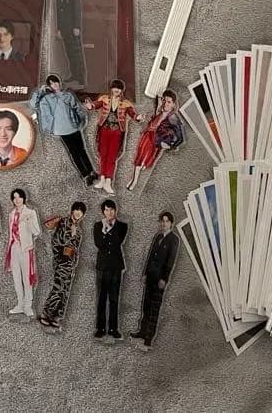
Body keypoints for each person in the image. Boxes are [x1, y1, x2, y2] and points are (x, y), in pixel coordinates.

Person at [29, 75, 99, 187]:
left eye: (56, 82)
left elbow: (77, 108)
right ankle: (85, 175)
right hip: (61, 129)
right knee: (74, 153)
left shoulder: (68, 95)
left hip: (73, 126)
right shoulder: (46, 98)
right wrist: (40, 90)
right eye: (52, 83)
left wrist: (81, 122)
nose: (55, 85)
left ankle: (91, 172)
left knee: (81, 150)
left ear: (59, 82)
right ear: (49, 86)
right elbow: (33, 104)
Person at [130, 211, 180, 351]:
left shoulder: (174, 239)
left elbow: (170, 261)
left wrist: (164, 278)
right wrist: (145, 273)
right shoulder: (157, 236)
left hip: (159, 279)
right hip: (151, 276)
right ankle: (142, 331)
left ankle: (148, 339)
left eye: (167, 221)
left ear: (171, 223)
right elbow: (150, 256)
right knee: (146, 305)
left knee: (154, 308)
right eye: (162, 221)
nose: (164, 223)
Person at [84, 79, 142, 195]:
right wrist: (90, 106)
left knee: (112, 157)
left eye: (119, 88)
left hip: (117, 132)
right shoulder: (104, 98)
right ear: (111, 88)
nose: (117, 90)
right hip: (104, 130)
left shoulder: (126, 103)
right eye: (115, 87)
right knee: (103, 155)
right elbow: (96, 105)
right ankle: (102, 179)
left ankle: (108, 181)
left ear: (122, 90)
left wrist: (138, 117)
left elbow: (132, 114)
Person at [38, 201, 87, 330]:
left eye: (81, 211)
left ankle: (56, 316)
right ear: (72, 211)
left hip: (71, 263)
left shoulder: (79, 230)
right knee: (58, 287)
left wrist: (74, 263)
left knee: (65, 290)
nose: (78, 213)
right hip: (61, 260)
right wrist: (62, 252)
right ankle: (46, 313)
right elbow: (57, 240)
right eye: (76, 210)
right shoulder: (63, 222)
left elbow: (76, 249)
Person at [127, 90, 184, 191]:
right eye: (164, 101)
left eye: (169, 102)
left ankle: (134, 181)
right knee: (140, 158)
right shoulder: (160, 112)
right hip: (147, 136)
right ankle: (134, 179)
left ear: (174, 104)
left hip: (154, 140)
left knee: (141, 160)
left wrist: (171, 146)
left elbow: (180, 137)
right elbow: (157, 109)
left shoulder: (173, 117)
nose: (165, 104)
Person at [92, 198, 128, 341]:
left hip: (115, 266)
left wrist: (108, 229)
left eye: (111, 209)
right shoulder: (97, 226)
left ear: (115, 210)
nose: (109, 212)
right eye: (106, 210)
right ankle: (100, 328)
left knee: (114, 298)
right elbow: (99, 244)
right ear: (103, 212)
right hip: (102, 266)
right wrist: (104, 228)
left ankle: (113, 329)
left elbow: (116, 242)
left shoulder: (123, 226)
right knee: (101, 298)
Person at [4, 188, 42, 319]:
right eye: (14, 198)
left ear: (23, 198)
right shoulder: (11, 214)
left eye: (19, 197)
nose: (17, 200)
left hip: (25, 249)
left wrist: (28, 221)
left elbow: (36, 232)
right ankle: (20, 304)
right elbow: (10, 233)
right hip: (14, 248)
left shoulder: (30, 212)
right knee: (16, 277)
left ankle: (28, 305)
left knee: (27, 278)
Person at [54, 0, 86, 86]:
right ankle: (74, 75)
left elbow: (77, 11)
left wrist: (77, 27)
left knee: (77, 54)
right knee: (69, 54)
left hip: (73, 29)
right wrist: (59, 30)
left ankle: (81, 78)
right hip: (64, 30)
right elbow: (59, 15)